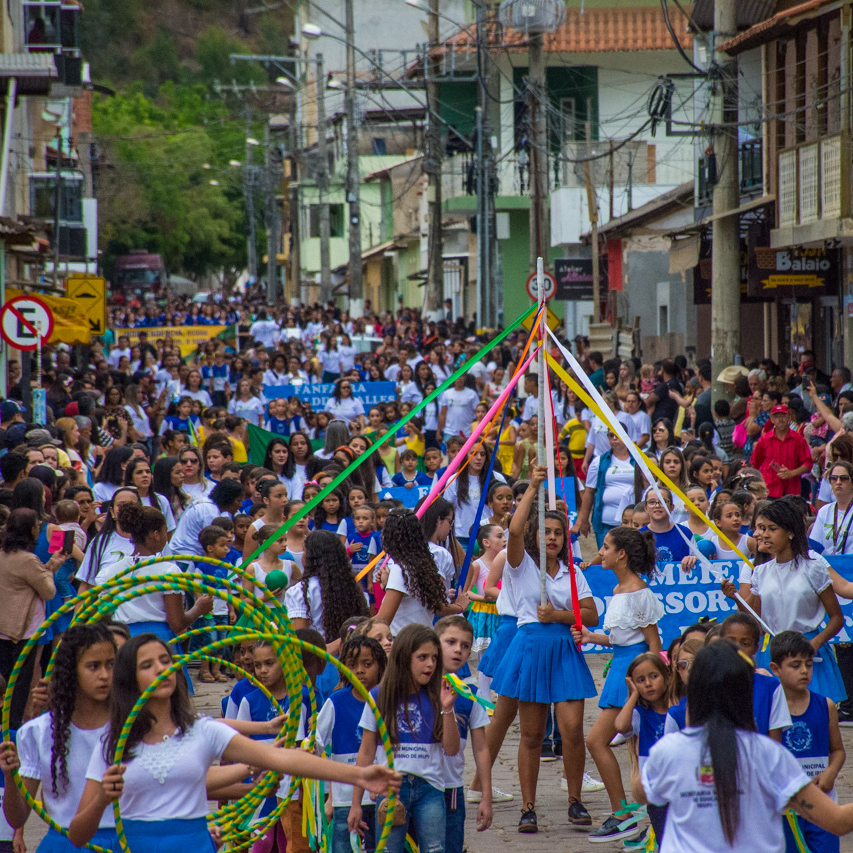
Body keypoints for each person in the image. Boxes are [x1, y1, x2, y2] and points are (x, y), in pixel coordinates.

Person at [69, 634, 401, 852]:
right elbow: (78, 834)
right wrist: (101, 799)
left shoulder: (202, 730)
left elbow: (282, 759)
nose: (161, 669)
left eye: (166, 661)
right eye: (147, 665)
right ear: (131, 679)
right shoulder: (113, 743)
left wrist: (357, 775)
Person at [634, 641, 853, 853]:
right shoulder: (769, 754)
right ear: (747, 692)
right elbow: (838, 821)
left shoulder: (669, 752)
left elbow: (641, 793)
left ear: (694, 691)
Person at [490, 466, 598, 833]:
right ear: (537, 535)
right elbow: (515, 530)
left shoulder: (573, 571)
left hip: (565, 650)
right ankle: (528, 807)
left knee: (571, 732)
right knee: (532, 735)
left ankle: (575, 800)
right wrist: (534, 486)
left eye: (557, 532)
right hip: (531, 648)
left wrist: (558, 614)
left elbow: (591, 613)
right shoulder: (521, 567)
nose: (551, 537)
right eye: (546, 532)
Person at [576, 526, 662, 843]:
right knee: (622, 746)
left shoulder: (639, 593)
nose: (601, 552)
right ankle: (629, 814)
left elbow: (652, 644)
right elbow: (619, 639)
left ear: (621, 554)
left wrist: (647, 686)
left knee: (601, 742)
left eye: (607, 547)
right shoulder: (619, 590)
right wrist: (590, 636)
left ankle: (625, 814)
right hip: (622, 669)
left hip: (634, 674)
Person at [0, 623, 119, 852]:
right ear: (71, 671)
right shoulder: (38, 731)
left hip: (124, 841)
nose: (104, 675)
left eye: (111, 665)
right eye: (93, 667)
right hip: (64, 844)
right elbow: (17, 817)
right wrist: (10, 776)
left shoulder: (131, 727)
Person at [350, 624, 459, 853]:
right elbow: (367, 750)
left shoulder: (439, 694)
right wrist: (355, 803)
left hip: (430, 788)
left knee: (435, 849)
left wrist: (447, 708)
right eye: (422, 657)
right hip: (390, 789)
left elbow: (451, 748)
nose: (430, 664)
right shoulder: (379, 696)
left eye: (434, 657)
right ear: (403, 658)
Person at [724, 500, 846, 702]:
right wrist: (735, 596)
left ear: (790, 532)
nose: (764, 534)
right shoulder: (760, 572)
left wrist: (813, 644)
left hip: (807, 653)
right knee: (774, 716)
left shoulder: (813, 567)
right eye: (761, 528)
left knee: (815, 715)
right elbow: (753, 621)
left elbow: (836, 618)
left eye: (772, 529)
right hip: (773, 652)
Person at [770, 630, 845, 853]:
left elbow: (838, 750)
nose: (804, 671)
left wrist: (830, 773)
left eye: (809, 664)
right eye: (795, 665)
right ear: (775, 669)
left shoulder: (826, 706)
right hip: (785, 807)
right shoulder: (770, 710)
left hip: (823, 805)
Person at [317, 636, 387, 853]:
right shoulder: (335, 702)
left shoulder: (387, 700)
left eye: (367, 664)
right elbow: (317, 741)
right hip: (344, 799)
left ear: (381, 666)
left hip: (380, 797)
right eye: (353, 665)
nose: (360, 671)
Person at [0, 508, 67, 730]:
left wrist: (48, 568)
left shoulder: (3, 554)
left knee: (7, 681)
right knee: (19, 686)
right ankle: (12, 733)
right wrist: (51, 570)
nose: (39, 529)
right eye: (37, 526)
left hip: (5, 629)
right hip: (23, 633)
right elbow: (48, 592)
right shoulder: (28, 560)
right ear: (31, 530)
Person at [435, 616, 493, 853]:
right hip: (415, 785)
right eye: (450, 642)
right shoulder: (414, 688)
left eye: (465, 645)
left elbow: (481, 748)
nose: (458, 650)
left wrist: (486, 796)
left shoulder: (470, 695)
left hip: (451, 789)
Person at [376, 508, 468, 635]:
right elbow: (434, 605)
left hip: (403, 640)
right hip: (423, 637)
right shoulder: (423, 564)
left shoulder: (400, 570)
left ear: (388, 537)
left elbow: (383, 620)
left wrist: (353, 629)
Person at [614, 653, 672, 846]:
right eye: (641, 680)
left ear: (667, 676)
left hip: (678, 783)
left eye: (654, 676)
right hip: (655, 789)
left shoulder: (678, 710)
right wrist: (633, 696)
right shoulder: (640, 715)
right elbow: (621, 726)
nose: (648, 684)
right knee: (664, 838)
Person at [574, 431, 635, 548]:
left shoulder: (639, 459)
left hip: (633, 521)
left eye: (617, 435)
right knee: (605, 559)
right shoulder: (598, 461)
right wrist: (584, 520)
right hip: (605, 521)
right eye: (611, 436)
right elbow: (589, 492)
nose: (614, 439)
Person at [751, 405, 813, 498]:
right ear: (772, 419)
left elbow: (808, 464)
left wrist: (792, 473)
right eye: (777, 416)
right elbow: (754, 464)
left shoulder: (798, 439)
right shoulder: (764, 440)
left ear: (789, 417)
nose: (780, 419)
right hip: (769, 491)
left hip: (791, 491)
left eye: (783, 416)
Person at [811, 460, 853, 556]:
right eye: (834, 478)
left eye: (844, 478)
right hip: (827, 567)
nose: (838, 482)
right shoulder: (824, 511)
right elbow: (815, 546)